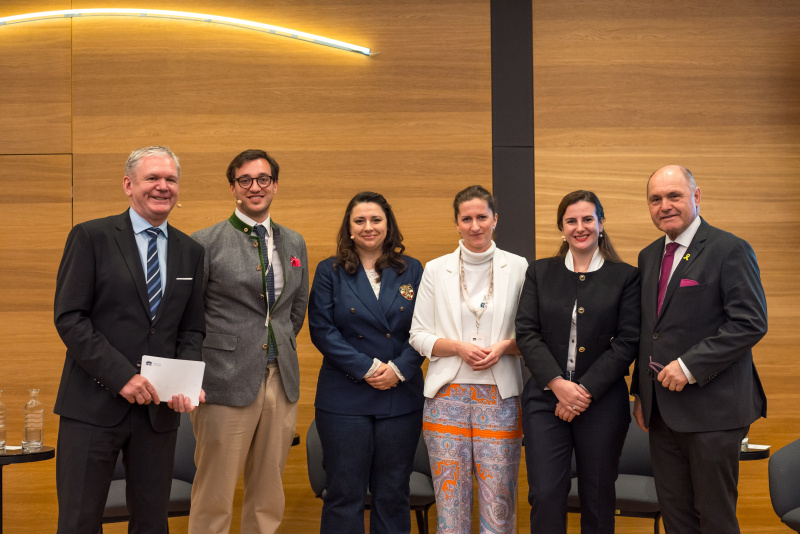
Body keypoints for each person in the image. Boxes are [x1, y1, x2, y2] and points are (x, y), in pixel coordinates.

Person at [53, 146, 205, 533]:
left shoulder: (191, 252)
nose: (162, 186)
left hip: (158, 415)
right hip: (92, 407)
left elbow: (191, 329)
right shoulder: (91, 237)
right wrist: (123, 377)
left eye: (170, 179)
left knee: (153, 523)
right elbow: (71, 319)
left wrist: (184, 384)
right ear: (128, 185)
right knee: (80, 520)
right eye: (152, 178)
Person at [630, 165, 767, 533]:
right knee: (677, 519)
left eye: (674, 195)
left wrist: (688, 365)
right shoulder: (648, 256)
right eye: (655, 199)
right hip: (661, 412)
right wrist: (640, 393)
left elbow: (750, 323)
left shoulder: (729, 249)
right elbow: (649, 331)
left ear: (696, 196)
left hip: (713, 413)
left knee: (715, 519)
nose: (664, 205)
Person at [188, 149, 309, 534]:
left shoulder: (294, 242)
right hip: (224, 381)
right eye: (245, 180)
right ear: (233, 188)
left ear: (275, 184)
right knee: (215, 493)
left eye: (263, 179)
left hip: (281, 379)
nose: (255, 187)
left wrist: (278, 345)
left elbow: (295, 309)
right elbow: (191, 317)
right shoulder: (205, 242)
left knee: (268, 494)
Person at [514, 190, 641, 532]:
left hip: (601, 401)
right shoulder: (540, 272)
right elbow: (527, 332)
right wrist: (558, 385)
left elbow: (628, 341)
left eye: (588, 219)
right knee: (545, 493)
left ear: (601, 223)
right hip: (545, 399)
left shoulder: (625, 276)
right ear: (562, 227)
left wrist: (582, 391)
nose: (580, 227)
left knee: (598, 496)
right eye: (571, 220)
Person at [409, 185, 527, 534]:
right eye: (467, 219)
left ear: (495, 219)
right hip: (447, 397)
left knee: (498, 500)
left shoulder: (518, 267)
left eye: (482, 217)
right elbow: (418, 335)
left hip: (500, 398)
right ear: (457, 223)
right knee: (450, 502)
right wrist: (459, 348)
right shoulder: (435, 269)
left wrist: (505, 346)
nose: (475, 226)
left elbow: (534, 335)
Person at [308, 191, 425, 534]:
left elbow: (426, 328)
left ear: (389, 225)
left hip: (399, 394)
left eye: (376, 219)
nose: (368, 227)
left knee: (393, 492)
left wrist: (399, 369)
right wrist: (369, 368)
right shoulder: (330, 270)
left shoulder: (412, 269)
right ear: (349, 227)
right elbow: (322, 330)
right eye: (359, 220)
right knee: (345, 491)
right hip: (345, 396)